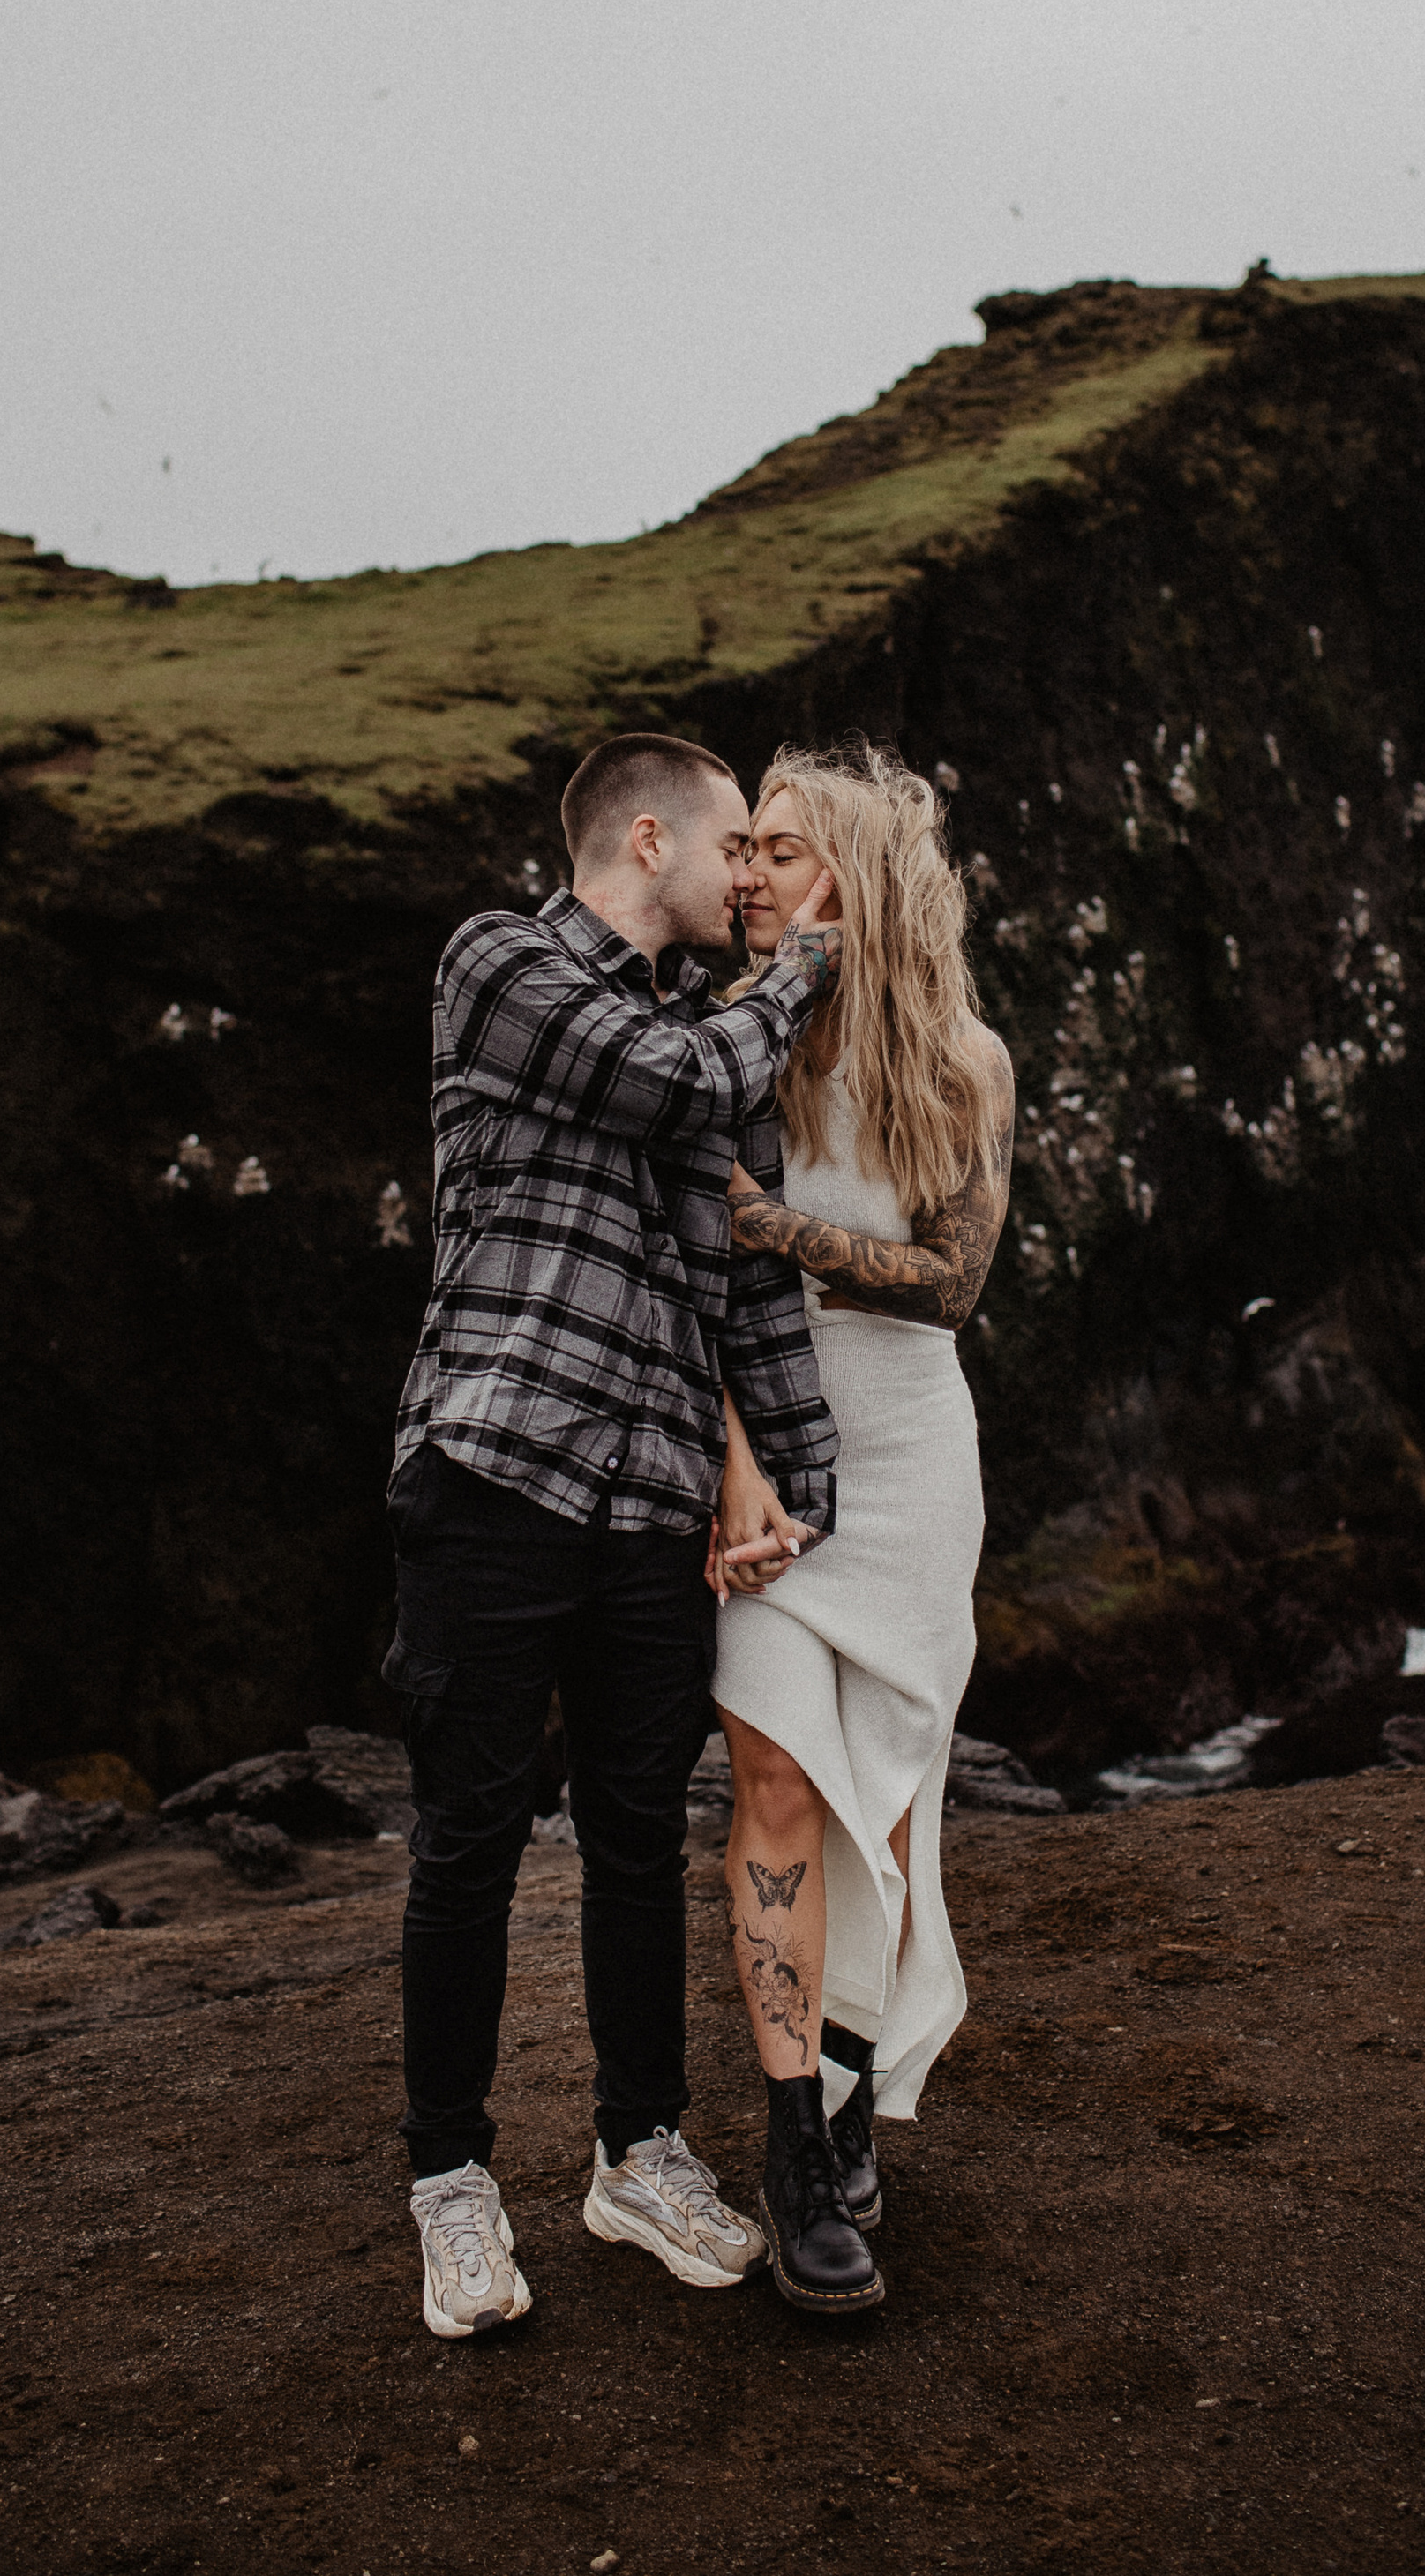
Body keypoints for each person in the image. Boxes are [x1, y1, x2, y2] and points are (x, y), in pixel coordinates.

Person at [386, 729, 844, 2340]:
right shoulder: (502, 964)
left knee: (638, 1839)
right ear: (648, 840)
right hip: (498, 1465)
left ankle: (639, 2153)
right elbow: (686, 1087)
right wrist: (807, 971)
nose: (747, 879)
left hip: (653, 1496)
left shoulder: (700, 1028)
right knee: (470, 1841)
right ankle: (450, 2184)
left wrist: (798, 1485)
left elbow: (745, 1284)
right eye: (733, 849)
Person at [710, 742, 1016, 2314]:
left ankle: (842, 2091)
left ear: (858, 872)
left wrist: (782, 1230)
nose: (744, 873)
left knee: (888, 1796)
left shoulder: (960, 1059)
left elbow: (956, 1285)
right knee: (772, 1771)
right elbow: (686, 1295)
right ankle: (791, 2150)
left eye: (781, 848)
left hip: (908, 1454)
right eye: (741, 849)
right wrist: (728, 1465)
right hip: (764, 1458)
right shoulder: (720, 1050)